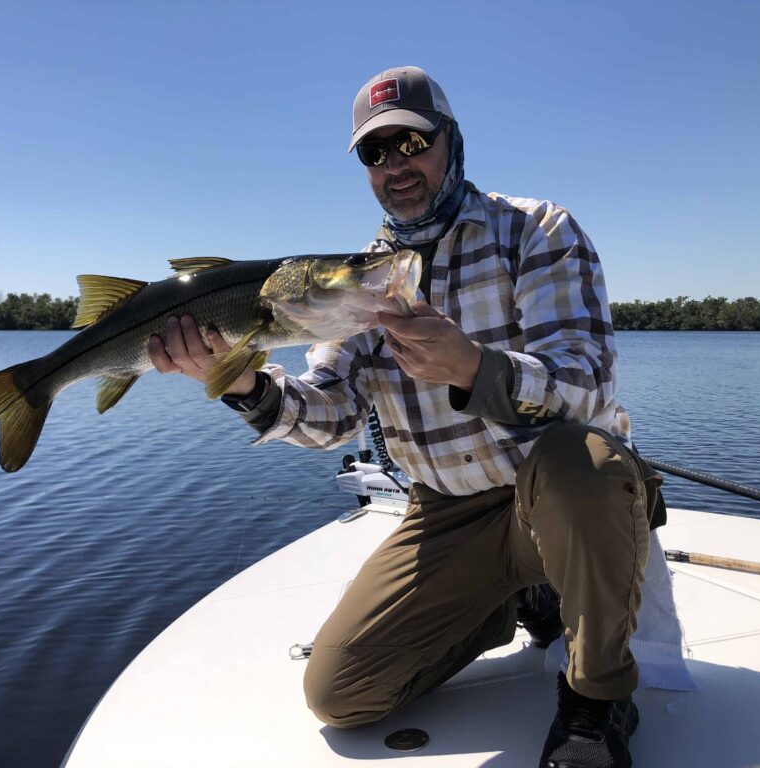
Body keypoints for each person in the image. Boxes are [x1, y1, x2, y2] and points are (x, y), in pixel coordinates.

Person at [148, 65, 666, 768]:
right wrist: (247, 387)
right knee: (340, 693)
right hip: (444, 511)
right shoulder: (353, 280)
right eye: (375, 151)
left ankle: (597, 700)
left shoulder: (537, 230)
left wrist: (473, 369)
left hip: (558, 491)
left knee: (585, 463)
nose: (397, 165)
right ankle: (508, 599)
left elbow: (589, 383)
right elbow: (330, 414)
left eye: (413, 142)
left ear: (450, 141)